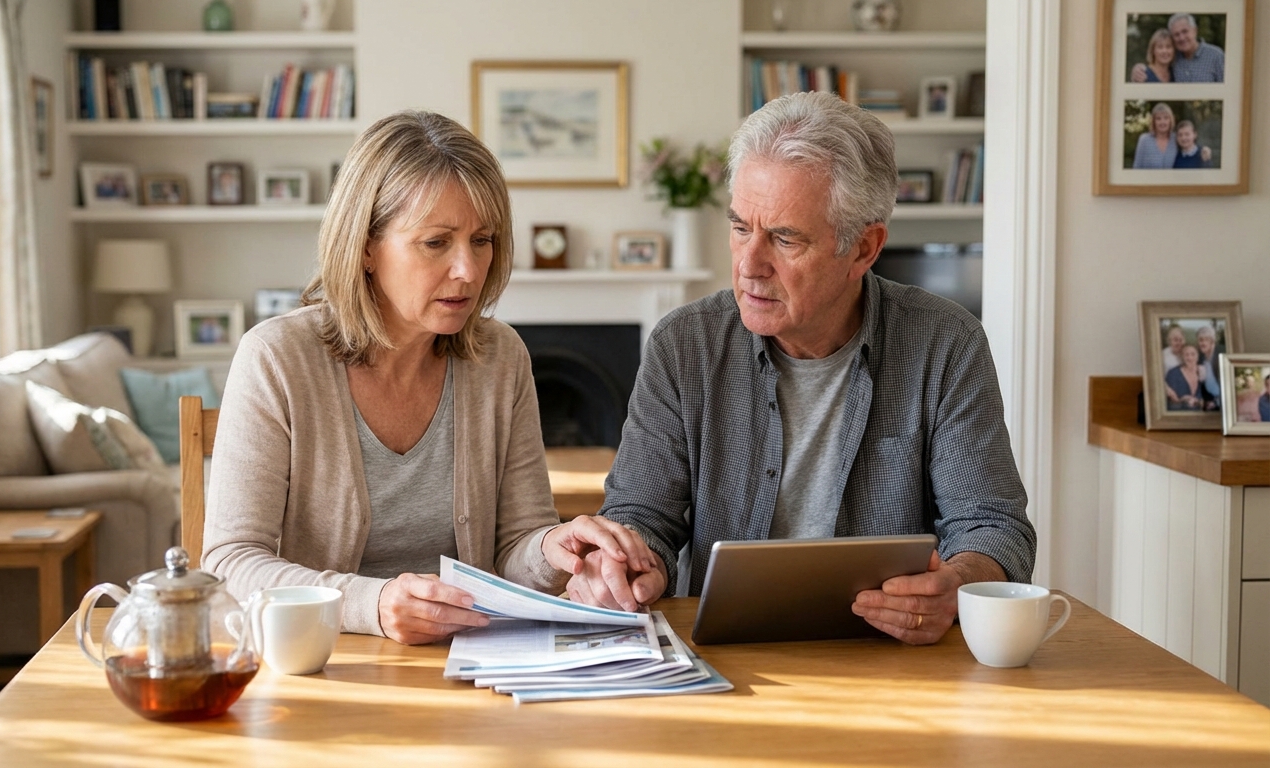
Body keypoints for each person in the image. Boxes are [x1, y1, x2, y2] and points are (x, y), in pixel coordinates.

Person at [566, 91, 1036, 646]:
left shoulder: (945, 343)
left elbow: (995, 527)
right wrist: (631, 565)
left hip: (890, 660)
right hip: (725, 659)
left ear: (864, 248)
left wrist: (958, 583)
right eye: (741, 227)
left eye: (785, 238)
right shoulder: (684, 345)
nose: (748, 265)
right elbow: (643, 514)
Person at [203, 110, 654, 645]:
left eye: (482, 240)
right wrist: (373, 604)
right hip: (326, 665)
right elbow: (230, 562)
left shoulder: (501, 358)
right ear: (367, 247)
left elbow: (515, 547)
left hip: (473, 660)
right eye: (436, 243)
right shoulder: (275, 358)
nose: (467, 270)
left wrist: (555, 548)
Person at [1133, 103, 1178, 169]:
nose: (1162, 122)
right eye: (1158, 119)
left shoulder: (1176, 139)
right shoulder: (1144, 140)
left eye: (1166, 118)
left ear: (1170, 120)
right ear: (1153, 121)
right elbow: (1137, 167)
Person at [1165, 344, 1206, 411]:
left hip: (1201, 418)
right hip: (1179, 417)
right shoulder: (1173, 373)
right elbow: (1169, 403)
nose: (1190, 358)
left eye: (1193, 354)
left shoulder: (1203, 372)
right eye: (1186, 355)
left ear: (1198, 356)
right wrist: (1182, 400)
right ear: (1182, 357)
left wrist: (1199, 403)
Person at [1195, 324, 1223, 410]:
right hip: (1210, 400)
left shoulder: (1220, 357)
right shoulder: (1200, 358)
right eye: (1200, 340)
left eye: (1206, 340)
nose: (1203, 343)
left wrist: (1217, 402)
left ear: (1212, 342)